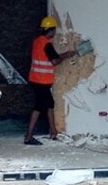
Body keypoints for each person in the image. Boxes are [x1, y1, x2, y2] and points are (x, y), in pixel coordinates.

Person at [24, 15, 74, 145]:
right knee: (39, 107)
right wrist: (66, 56)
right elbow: (55, 61)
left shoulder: (37, 41)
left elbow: (50, 57)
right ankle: (28, 136)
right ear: (51, 30)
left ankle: (53, 131)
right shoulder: (47, 45)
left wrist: (65, 54)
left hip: (35, 78)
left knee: (50, 104)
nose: (55, 32)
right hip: (42, 81)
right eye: (54, 30)